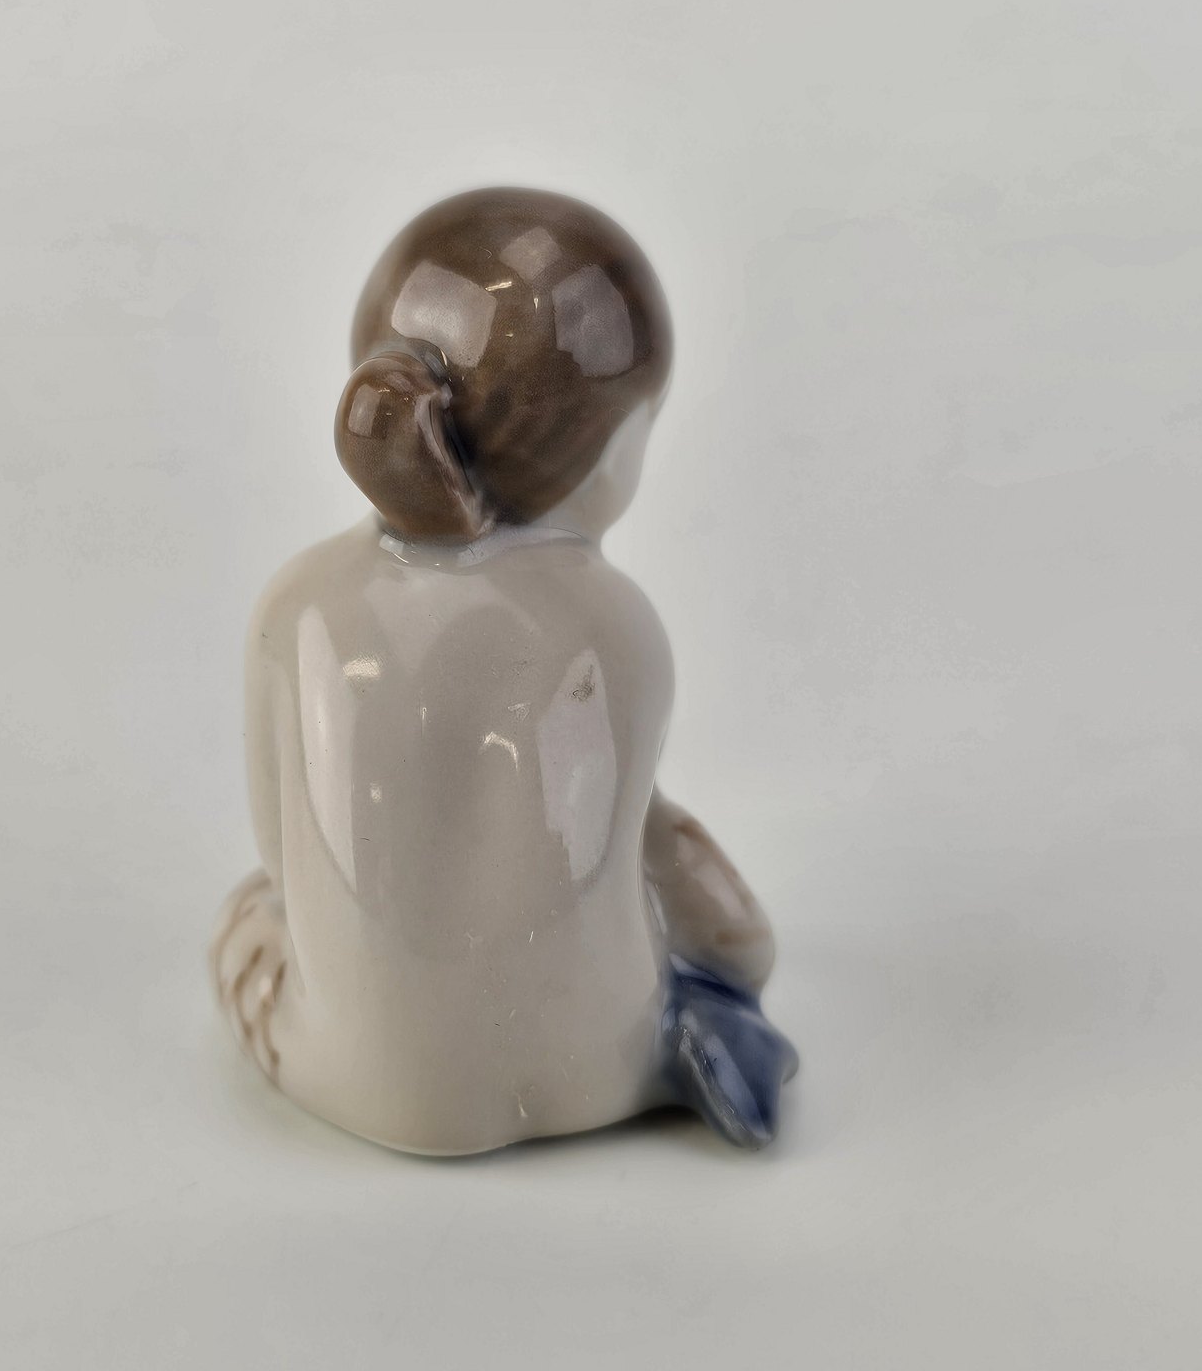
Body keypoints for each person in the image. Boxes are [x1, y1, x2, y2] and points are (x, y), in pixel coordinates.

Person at [212, 188, 795, 1154]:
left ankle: (391, 1057)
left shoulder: (299, 607)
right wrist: (744, 948)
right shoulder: (614, 629)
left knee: (244, 912)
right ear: (610, 452)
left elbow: (283, 858)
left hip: (356, 1080)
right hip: (597, 1068)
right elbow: (647, 844)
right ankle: (653, 1045)